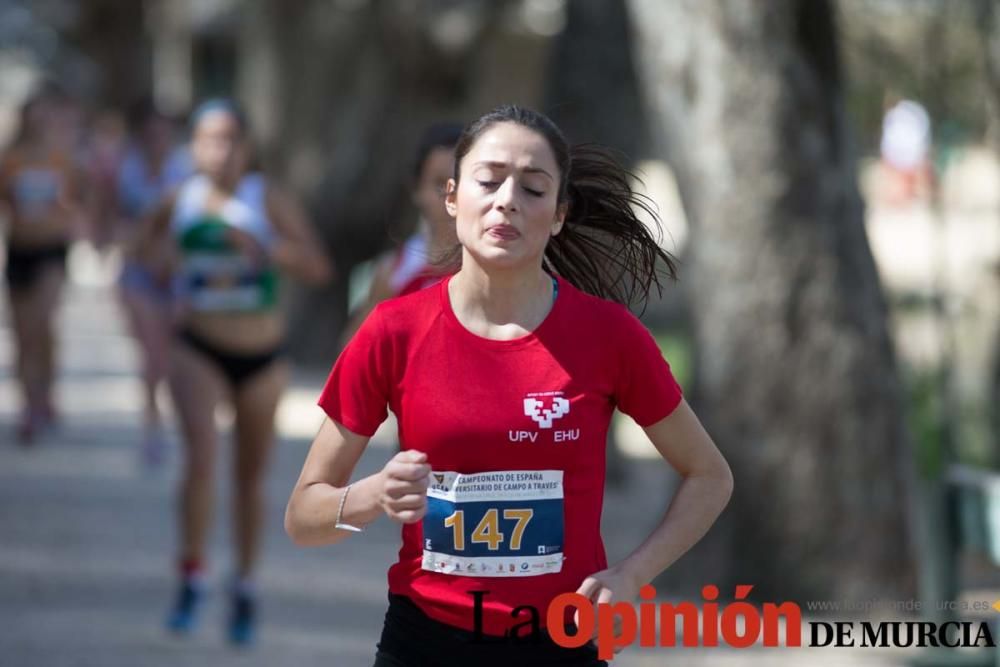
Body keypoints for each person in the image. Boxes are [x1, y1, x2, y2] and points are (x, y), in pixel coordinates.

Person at [285, 105, 733, 666]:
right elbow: (304, 516)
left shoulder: (610, 335)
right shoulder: (394, 330)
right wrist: (373, 494)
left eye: (533, 188)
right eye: (489, 180)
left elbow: (710, 476)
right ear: (452, 198)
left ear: (559, 214)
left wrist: (632, 574)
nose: (507, 201)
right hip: (425, 641)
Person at [134, 98, 332, 645]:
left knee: (250, 478)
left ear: (246, 147)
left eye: (228, 139)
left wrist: (268, 247)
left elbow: (318, 266)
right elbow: (141, 254)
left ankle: (244, 584)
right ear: (193, 146)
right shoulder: (180, 198)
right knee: (201, 460)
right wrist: (165, 261)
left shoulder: (266, 199)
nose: (218, 150)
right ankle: (192, 575)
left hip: (262, 355)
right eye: (207, 138)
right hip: (198, 346)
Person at [0, 84, 86, 443]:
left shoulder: (61, 158)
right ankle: (28, 405)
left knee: (41, 324)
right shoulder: (10, 159)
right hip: (19, 250)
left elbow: (80, 201)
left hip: (51, 250)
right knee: (22, 335)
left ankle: (44, 394)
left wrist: (66, 213)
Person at [114, 99, 192, 467]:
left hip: (177, 276)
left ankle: (172, 422)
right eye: (151, 132)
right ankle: (152, 424)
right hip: (137, 273)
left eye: (164, 132)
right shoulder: (125, 171)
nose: (157, 138)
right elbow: (110, 218)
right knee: (152, 354)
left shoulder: (186, 172)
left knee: (173, 357)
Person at [342, 122, 463, 346]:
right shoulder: (393, 271)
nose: (450, 197)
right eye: (439, 184)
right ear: (417, 190)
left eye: (461, 183)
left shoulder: (495, 269)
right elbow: (355, 349)